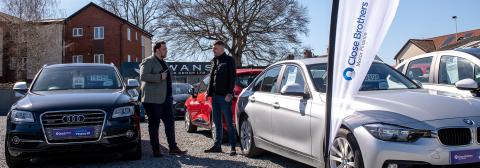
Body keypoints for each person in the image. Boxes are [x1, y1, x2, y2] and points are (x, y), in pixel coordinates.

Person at [140, 41, 187, 157]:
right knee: (154, 125)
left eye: (166, 49)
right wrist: (159, 77)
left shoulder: (164, 62)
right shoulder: (149, 61)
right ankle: (155, 149)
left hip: (166, 99)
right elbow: (143, 76)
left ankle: (173, 147)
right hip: (153, 100)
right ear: (157, 50)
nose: (166, 51)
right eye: (164, 49)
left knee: (170, 124)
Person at [204, 40, 237, 156]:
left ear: (222, 48)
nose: (213, 50)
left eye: (215, 48)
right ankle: (217, 146)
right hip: (214, 97)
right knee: (217, 123)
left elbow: (232, 77)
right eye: (213, 48)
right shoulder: (213, 61)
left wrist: (229, 93)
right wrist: (207, 92)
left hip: (225, 97)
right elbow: (211, 78)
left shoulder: (229, 60)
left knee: (229, 123)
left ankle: (233, 148)